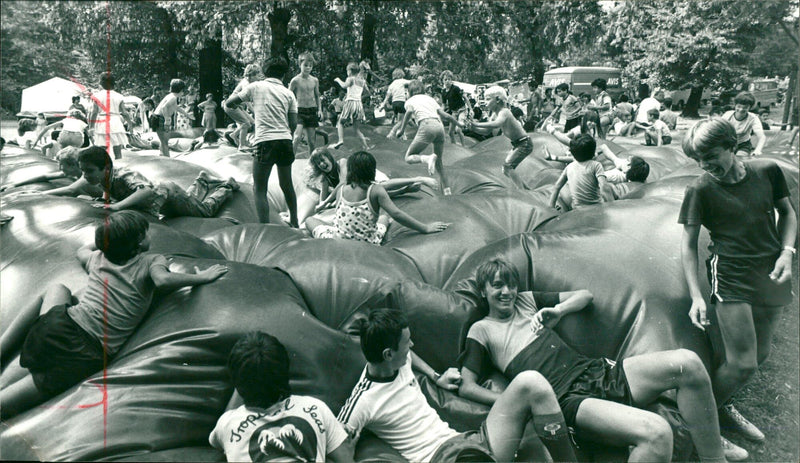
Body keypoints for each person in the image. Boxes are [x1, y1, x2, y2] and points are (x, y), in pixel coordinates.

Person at [458, 258, 728, 463]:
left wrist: (559, 311)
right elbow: (467, 386)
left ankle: (715, 459)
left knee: (688, 363)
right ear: (483, 291)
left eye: (511, 284)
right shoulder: (481, 330)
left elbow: (585, 296)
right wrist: (517, 402)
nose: (507, 292)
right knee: (656, 433)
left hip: (593, 370)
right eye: (497, 286)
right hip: (566, 397)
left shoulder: (526, 301)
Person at [0, 210, 228, 419]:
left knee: (57, 289)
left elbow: (81, 251)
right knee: (20, 394)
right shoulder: (151, 261)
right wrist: (202, 277)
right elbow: (163, 280)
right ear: (139, 242)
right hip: (85, 352)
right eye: (146, 233)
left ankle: (2, 347)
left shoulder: (98, 258)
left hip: (57, 325)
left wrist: (106, 242)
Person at [679, 118, 795, 451]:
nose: (704, 165)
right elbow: (688, 246)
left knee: (760, 354)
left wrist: (787, 253)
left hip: (769, 269)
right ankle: (695, 426)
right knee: (742, 363)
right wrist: (696, 296)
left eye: (710, 156)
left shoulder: (768, 171)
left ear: (732, 145)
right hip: (731, 273)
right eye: (697, 159)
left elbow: (787, 214)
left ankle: (719, 406)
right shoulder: (700, 189)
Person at [337, 308, 579, 463]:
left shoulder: (399, 360)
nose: (411, 346)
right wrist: (345, 449)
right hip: (442, 458)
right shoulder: (364, 401)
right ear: (388, 354)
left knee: (531, 382)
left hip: (470, 442)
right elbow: (334, 439)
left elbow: (411, 357)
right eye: (406, 343)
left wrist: (435, 376)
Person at [209, 331, 353, 462]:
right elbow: (346, 459)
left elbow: (219, 443)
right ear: (287, 372)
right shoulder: (317, 408)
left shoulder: (227, 424)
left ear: (237, 383)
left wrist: (247, 375)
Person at [43, 146, 239, 219]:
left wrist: (118, 206)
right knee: (189, 201)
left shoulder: (123, 175)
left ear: (106, 168)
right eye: (83, 170)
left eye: (90, 171)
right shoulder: (100, 179)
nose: (85, 175)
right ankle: (202, 179)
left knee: (204, 211)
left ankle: (227, 186)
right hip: (164, 199)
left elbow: (145, 191)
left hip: (168, 195)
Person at [306, 151, 448, 245]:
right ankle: (410, 184)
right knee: (384, 217)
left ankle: (411, 183)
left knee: (309, 220)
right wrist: (425, 228)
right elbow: (396, 214)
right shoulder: (375, 190)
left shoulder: (341, 189)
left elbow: (338, 213)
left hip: (339, 239)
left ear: (350, 171)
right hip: (366, 242)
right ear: (372, 171)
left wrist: (325, 207)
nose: (322, 164)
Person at [226, 57, 299, 227]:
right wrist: (285, 133)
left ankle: (265, 228)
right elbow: (293, 123)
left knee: (259, 188)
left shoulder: (255, 87)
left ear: (264, 72)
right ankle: (295, 221)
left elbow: (229, 103)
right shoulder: (288, 93)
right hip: (285, 140)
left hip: (265, 141)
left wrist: (239, 104)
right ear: (284, 74)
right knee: (287, 184)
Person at [396, 80, 463, 196]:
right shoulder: (430, 99)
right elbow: (446, 115)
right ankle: (448, 192)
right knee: (439, 163)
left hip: (426, 125)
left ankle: (427, 158)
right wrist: (458, 124)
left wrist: (401, 130)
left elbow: (409, 112)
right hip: (440, 127)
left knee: (408, 157)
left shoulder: (410, 101)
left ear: (410, 92)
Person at [467, 86, 533, 189]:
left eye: (488, 99)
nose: (485, 102)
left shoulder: (504, 112)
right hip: (518, 144)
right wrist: (473, 128)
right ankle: (527, 190)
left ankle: (522, 191)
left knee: (508, 167)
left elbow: (497, 124)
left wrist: (477, 124)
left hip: (524, 143)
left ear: (497, 99)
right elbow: (487, 131)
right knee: (506, 169)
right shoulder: (495, 114)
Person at [549, 134, 607, 210]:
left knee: (570, 198)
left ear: (572, 153)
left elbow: (557, 187)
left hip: (578, 208)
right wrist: (610, 206)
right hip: (596, 206)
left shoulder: (569, 167)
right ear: (593, 152)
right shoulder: (596, 165)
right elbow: (604, 187)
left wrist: (551, 207)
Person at [87, 72, 132, 160]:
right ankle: (119, 164)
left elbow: (94, 112)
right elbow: (124, 112)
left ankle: (103, 166)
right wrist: (130, 123)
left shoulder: (97, 96)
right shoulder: (119, 96)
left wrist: (91, 127)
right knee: (117, 148)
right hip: (115, 121)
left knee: (102, 147)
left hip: (102, 121)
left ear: (101, 82)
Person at [0, 146, 82, 192]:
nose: (60, 168)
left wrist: (41, 193)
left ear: (73, 165)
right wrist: (15, 184)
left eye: (62, 165)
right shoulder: (70, 172)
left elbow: (71, 189)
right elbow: (45, 176)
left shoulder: (85, 175)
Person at [289, 52, 323, 156]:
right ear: (300, 64)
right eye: (305, 65)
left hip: (312, 110)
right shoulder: (295, 80)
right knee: (297, 137)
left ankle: (312, 162)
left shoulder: (315, 80)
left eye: (310, 66)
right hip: (299, 110)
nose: (308, 68)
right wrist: (288, 111)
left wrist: (320, 110)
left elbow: (317, 96)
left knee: (312, 141)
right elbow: (288, 96)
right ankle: (289, 160)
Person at [150, 79, 195, 158]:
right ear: (180, 90)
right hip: (160, 118)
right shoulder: (173, 97)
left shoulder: (172, 96)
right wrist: (167, 120)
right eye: (183, 91)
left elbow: (176, 107)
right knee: (164, 141)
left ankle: (162, 155)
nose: (183, 93)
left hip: (157, 117)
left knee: (164, 140)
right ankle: (167, 158)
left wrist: (187, 114)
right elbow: (164, 108)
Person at [333, 62, 371, 150]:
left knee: (340, 122)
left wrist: (338, 80)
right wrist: (359, 97)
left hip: (350, 102)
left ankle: (340, 140)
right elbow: (368, 93)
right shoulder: (362, 81)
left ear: (349, 71)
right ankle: (366, 146)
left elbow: (344, 86)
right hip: (358, 104)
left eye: (347, 71)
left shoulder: (350, 79)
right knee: (356, 129)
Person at [223, 64, 261, 150]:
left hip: (238, 107)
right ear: (251, 75)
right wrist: (255, 112)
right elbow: (247, 102)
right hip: (231, 106)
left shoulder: (249, 83)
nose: (258, 78)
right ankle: (242, 145)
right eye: (257, 76)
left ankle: (234, 135)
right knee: (245, 123)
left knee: (253, 122)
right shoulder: (246, 84)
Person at [721, 92, 766, 156]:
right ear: (735, 105)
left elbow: (761, 137)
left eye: (745, 107)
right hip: (728, 143)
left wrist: (758, 150)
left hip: (743, 145)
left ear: (750, 108)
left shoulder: (753, 118)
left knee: (739, 158)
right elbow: (716, 131)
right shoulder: (727, 115)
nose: (741, 109)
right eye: (739, 106)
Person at [439, 70, 472, 145]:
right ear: (442, 81)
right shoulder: (443, 92)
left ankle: (463, 145)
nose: (447, 81)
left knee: (458, 129)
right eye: (445, 79)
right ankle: (454, 145)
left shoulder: (455, 88)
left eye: (449, 79)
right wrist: (440, 113)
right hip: (454, 112)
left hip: (462, 110)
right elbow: (443, 105)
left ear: (451, 80)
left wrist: (471, 109)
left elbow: (465, 98)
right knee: (450, 132)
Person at [383, 68, 410, 139]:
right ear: (401, 74)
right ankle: (392, 133)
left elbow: (387, 95)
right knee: (402, 121)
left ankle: (402, 135)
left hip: (394, 103)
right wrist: (418, 81)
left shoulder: (391, 84)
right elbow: (411, 82)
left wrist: (382, 105)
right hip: (401, 102)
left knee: (399, 120)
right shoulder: (402, 81)